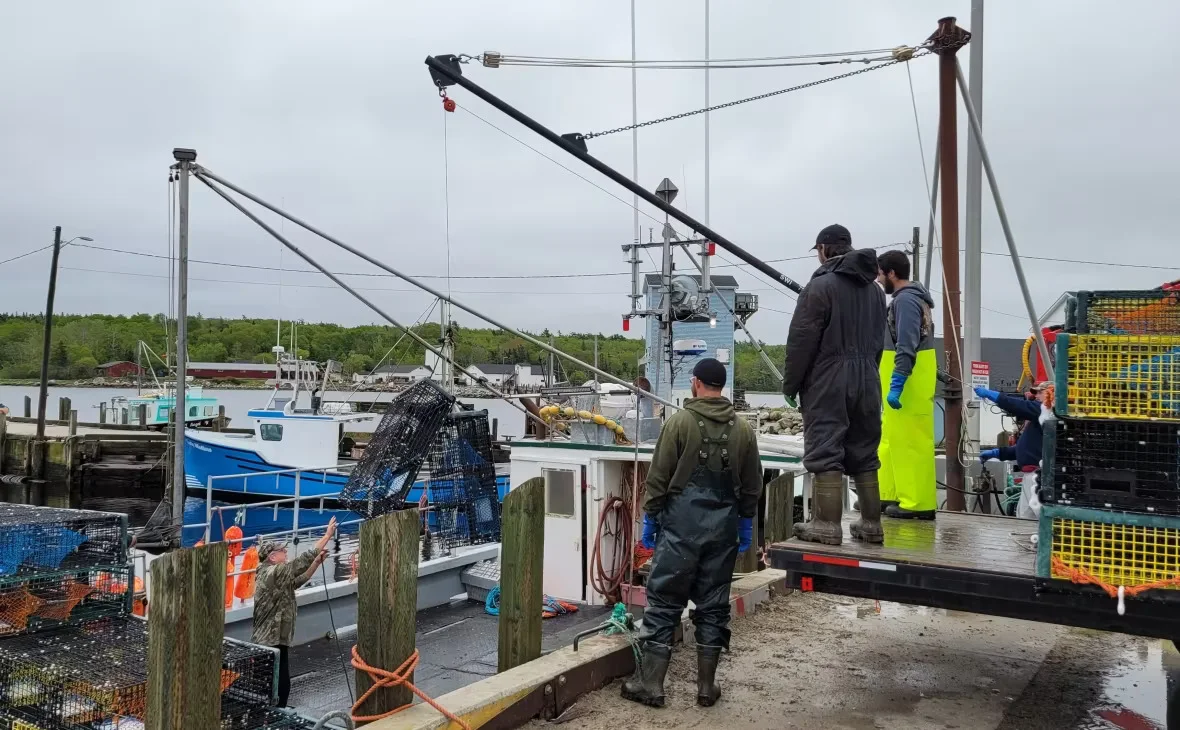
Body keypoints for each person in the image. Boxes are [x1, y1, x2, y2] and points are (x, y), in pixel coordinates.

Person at [622, 358, 763, 709]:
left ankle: (650, 685)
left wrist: (650, 519)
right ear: (722, 387)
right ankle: (705, 688)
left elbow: (658, 477)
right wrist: (745, 523)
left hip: (681, 531)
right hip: (723, 530)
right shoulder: (743, 430)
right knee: (713, 607)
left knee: (665, 603)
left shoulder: (680, 422)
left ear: (696, 383)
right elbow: (752, 484)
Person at [782, 224, 887, 545]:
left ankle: (827, 525)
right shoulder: (876, 292)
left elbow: (801, 342)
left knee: (826, 448)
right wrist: (868, 372)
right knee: (864, 450)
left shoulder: (819, 288)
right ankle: (871, 523)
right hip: (868, 377)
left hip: (829, 379)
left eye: (817, 250)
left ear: (825, 249)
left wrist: (791, 385)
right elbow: (878, 343)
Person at [876, 250, 938, 520]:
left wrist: (898, 380)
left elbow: (907, 343)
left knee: (911, 440)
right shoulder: (908, 299)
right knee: (890, 437)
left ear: (891, 273)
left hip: (909, 380)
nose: (878, 280)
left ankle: (917, 503)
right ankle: (889, 492)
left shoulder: (906, 302)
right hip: (903, 376)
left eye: (880, 274)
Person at [252, 516, 337, 707]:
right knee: (274, 680)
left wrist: (317, 562)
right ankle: (273, 712)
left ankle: (276, 709)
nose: (286, 552)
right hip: (268, 639)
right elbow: (300, 563)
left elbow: (298, 579)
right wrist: (327, 535)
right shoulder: (271, 573)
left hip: (278, 637)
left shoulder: (278, 574)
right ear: (272, 557)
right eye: (283, 551)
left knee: (281, 680)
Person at [976, 383, 1053, 469]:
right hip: (1034, 472)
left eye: (1040, 392)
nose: (1036, 396)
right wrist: (997, 453)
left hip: (1039, 473)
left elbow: (1016, 405)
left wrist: (992, 395)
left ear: (1050, 393)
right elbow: (1027, 448)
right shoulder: (1040, 418)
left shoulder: (1046, 411)